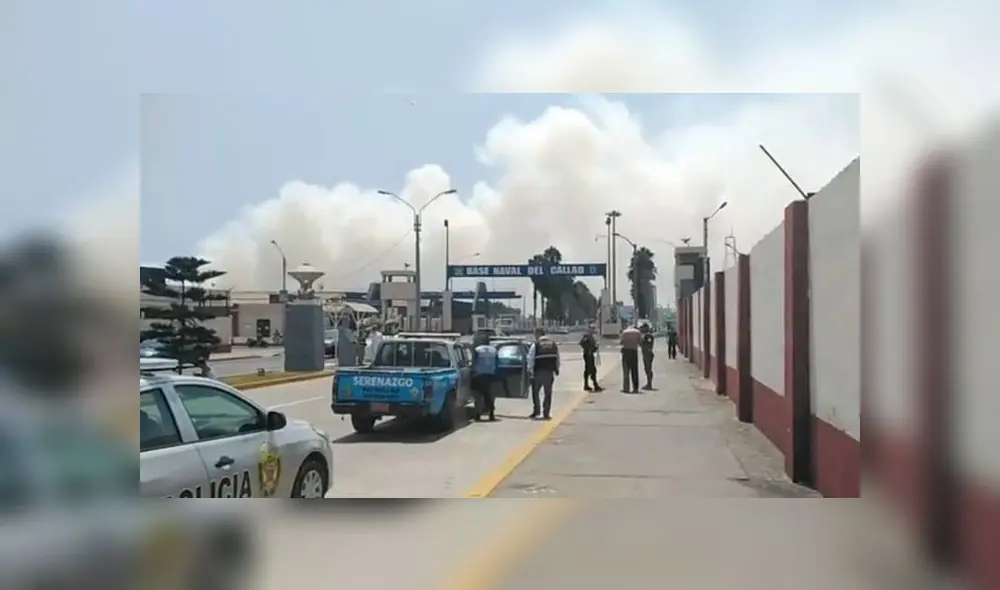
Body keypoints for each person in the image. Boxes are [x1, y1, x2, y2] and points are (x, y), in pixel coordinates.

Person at [527, 327, 560, 420]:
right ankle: (546, 412)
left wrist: (530, 371)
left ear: (538, 334)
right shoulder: (553, 344)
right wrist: (557, 369)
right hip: (549, 372)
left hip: (538, 372)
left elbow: (530, 358)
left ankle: (536, 411)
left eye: (535, 334)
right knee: (548, 393)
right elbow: (557, 358)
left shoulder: (536, 345)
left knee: (535, 392)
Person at [471, 336, 499, 421]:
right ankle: (491, 414)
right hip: (491, 375)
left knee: (478, 396)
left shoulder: (477, 349)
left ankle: (477, 415)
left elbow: (473, 362)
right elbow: (497, 362)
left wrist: (472, 372)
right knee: (490, 395)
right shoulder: (494, 350)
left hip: (479, 375)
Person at [579, 325, 604, 392]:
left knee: (590, 370)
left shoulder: (591, 336)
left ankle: (588, 385)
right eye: (592, 328)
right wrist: (588, 349)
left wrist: (595, 347)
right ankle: (594, 385)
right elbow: (582, 343)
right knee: (591, 370)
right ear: (589, 329)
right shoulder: (587, 335)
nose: (593, 330)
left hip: (590, 354)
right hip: (588, 355)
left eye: (594, 328)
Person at [619, 322, 642, 393]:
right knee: (634, 371)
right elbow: (640, 342)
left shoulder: (624, 332)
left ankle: (626, 388)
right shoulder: (637, 332)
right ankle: (635, 388)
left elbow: (621, 342)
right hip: (633, 352)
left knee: (626, 371)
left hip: (626, 352)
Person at [639, 323, 656, 390]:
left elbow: (649, 344)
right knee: (646, 369)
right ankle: (648, 383)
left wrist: (642, 344)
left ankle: (649, 384)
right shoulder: (645, 335)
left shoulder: (648, 335)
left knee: (648, 369)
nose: (641, 329)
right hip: (645, 353)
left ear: (646, 328)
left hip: (648, 354)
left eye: (643, 328)